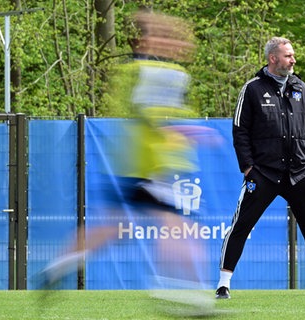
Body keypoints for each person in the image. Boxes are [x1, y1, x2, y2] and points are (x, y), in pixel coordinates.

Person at [37, 10, 217, 316]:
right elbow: (149, 115)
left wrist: (184, 133)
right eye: (165, 36)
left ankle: (56, 267)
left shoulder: (172, 74)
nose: (178, 44)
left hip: (146, 169)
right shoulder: (148, 71)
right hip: (148, 170)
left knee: (113, 229)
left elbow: (166, 116)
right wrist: (183, 131)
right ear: (148, 42)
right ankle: (186, 297)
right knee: (180, 228)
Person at [215, 36, 305, 299]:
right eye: (288, 56)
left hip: (300, 174)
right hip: (263, 173)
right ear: (273, 58)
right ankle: (223, 285)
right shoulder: (251, 89)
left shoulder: (301, 88)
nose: (293, 60)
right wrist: (248, 168)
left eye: (293, 55)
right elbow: (240, 131)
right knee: (241, 225)